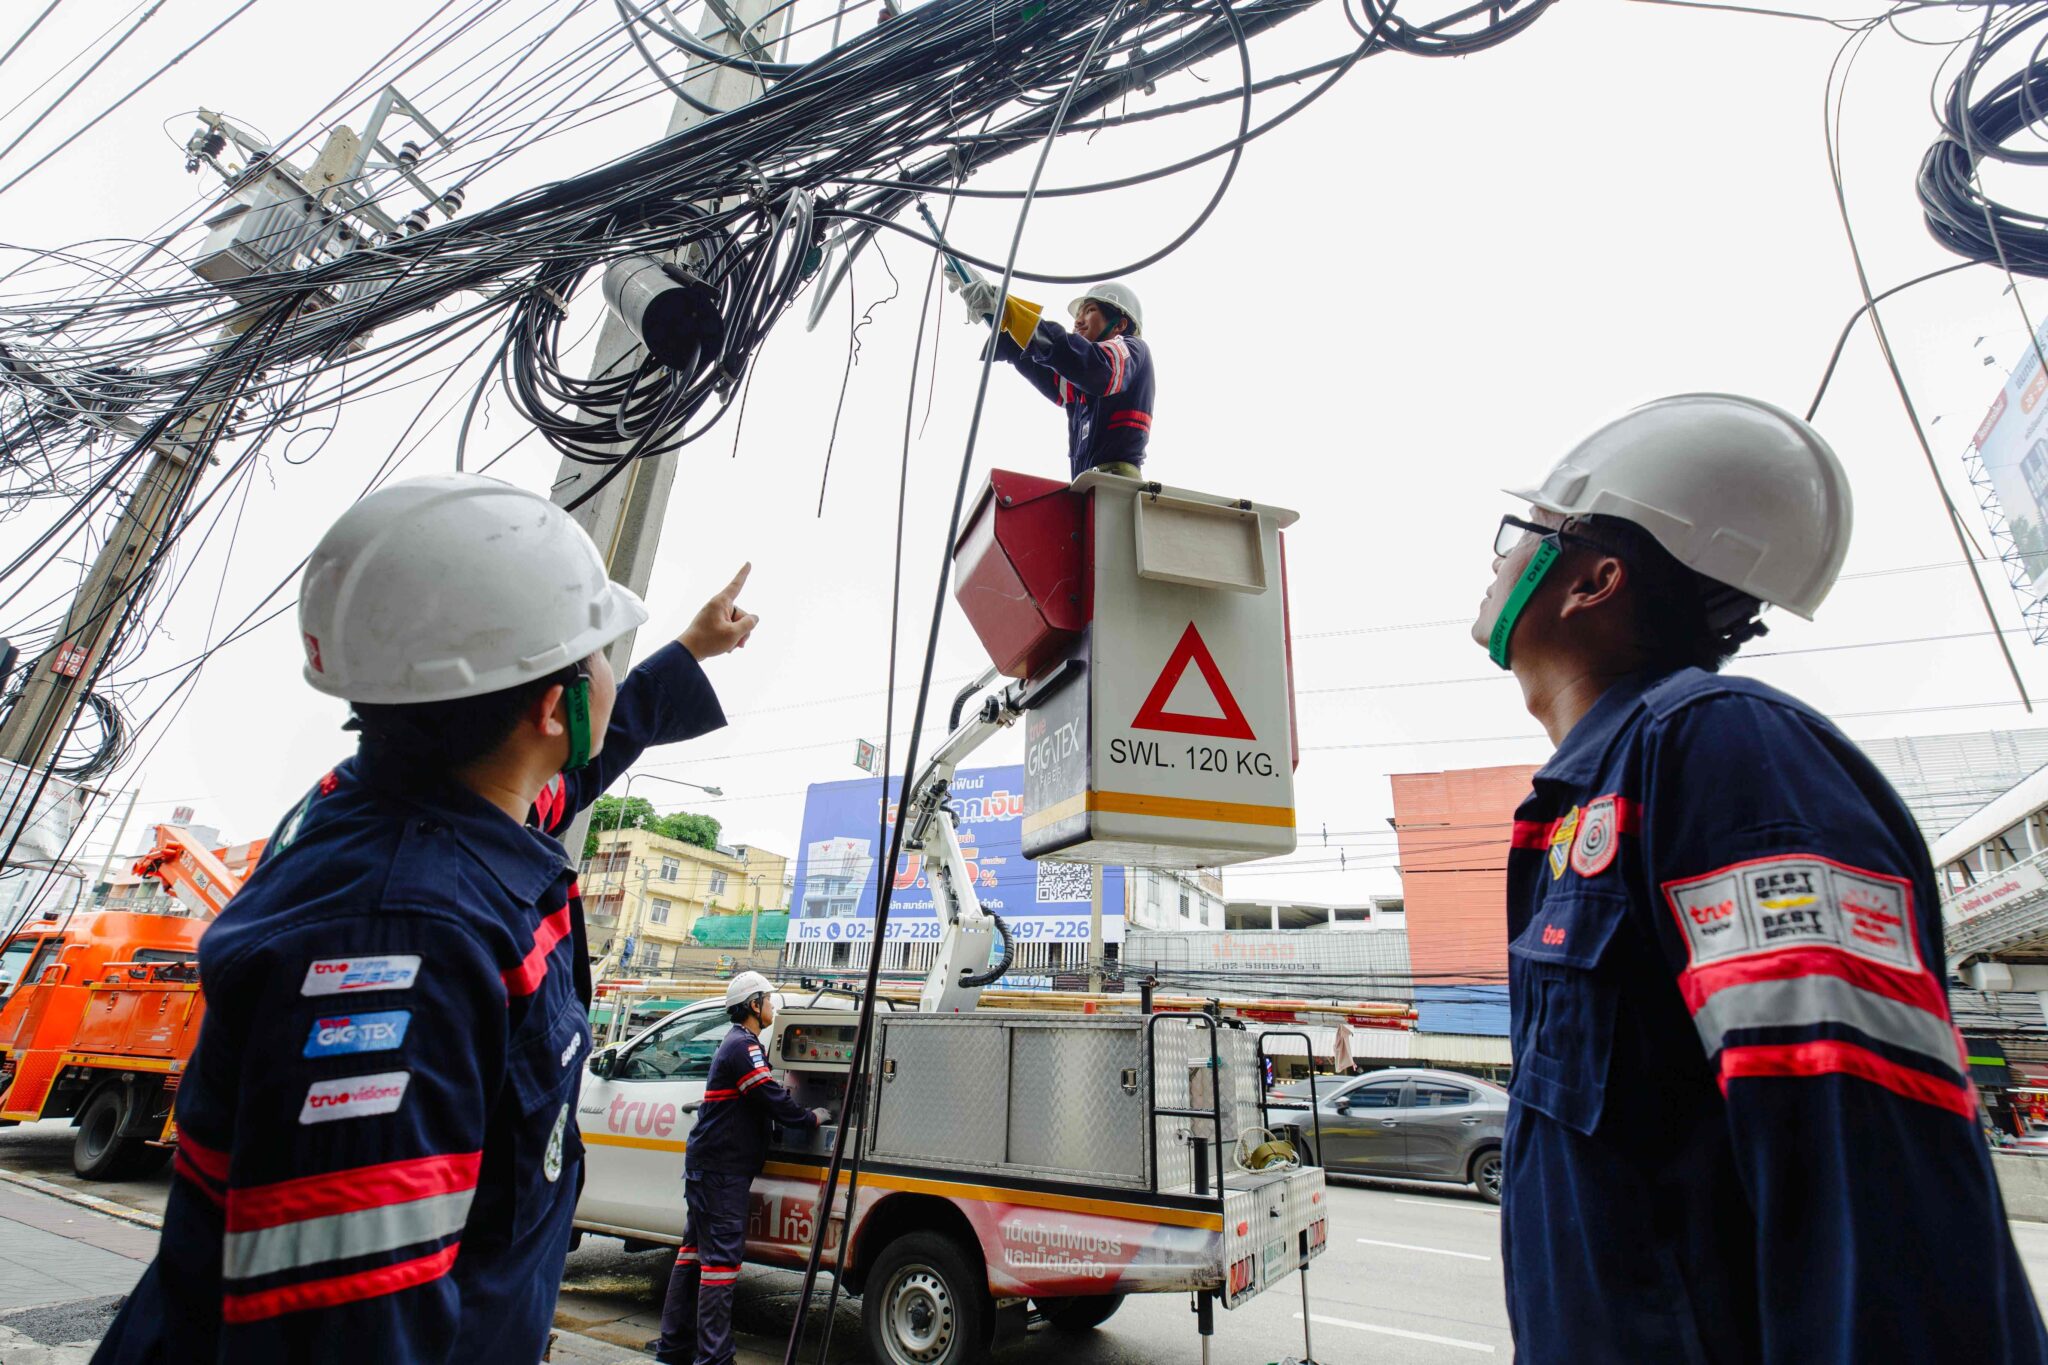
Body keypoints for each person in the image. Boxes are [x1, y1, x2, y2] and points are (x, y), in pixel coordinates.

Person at [94, 473, 759, 1364]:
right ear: (554, 708)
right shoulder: (403, 942)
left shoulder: (421, 800)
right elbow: (348, 1331)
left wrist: (690, 649)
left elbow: (575, 767)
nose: (611, 666)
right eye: (600, 649)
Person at [1474, 393, 2048, 1364]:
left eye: (1521, 533)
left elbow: (1864, 1166)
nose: (1496, 561)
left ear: (1593, 579)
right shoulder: (1584, 805)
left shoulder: (1722, 751)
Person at [655, 971, 826, 1365]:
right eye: (768, 999)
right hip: (721, 1171)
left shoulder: (740, 1044)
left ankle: (674, 1346)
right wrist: (810, 1118)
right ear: (753, 1005)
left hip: (710, 1167)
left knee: (693, 1254)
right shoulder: (743, 1046)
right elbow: (769, 1095)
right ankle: (715, 1357)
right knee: (721, 1263)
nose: (772, 1006)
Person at [952, 273, 1154, 481]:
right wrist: (996, 312)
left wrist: (1008, 311)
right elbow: (1045, 358)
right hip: (1088, 487)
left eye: (1090, 311)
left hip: (1116, 486)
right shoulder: (1080, 380)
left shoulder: (1132, 351)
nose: (1078, 321)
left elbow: (1091, 366)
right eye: (1078, 315)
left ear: (1119, 325)